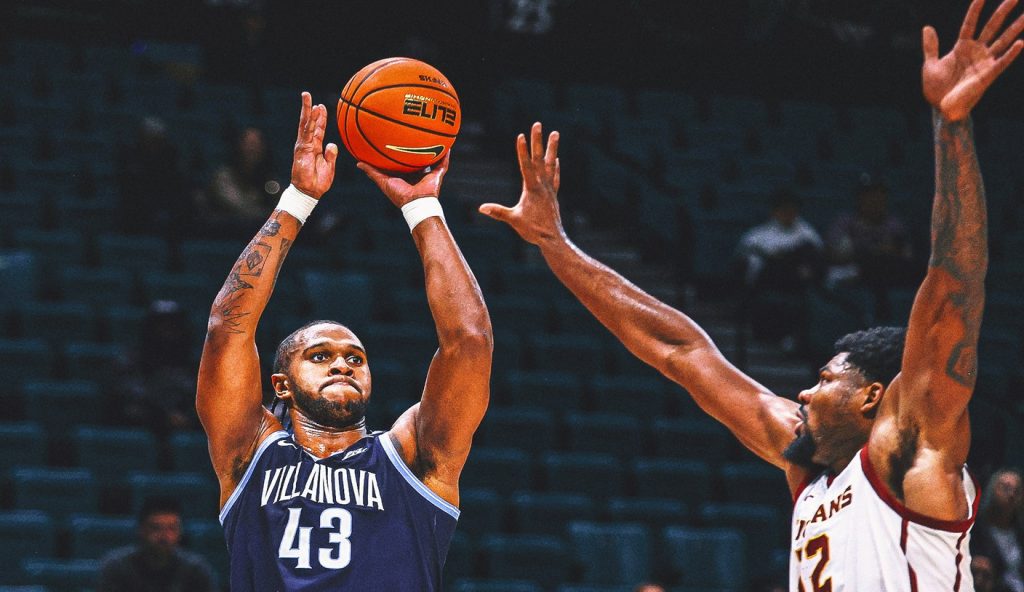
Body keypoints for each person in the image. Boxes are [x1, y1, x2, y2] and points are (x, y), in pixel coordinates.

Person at [479, 1, 1023, 588]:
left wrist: (952, 126)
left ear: (873, 398)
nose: (804, 392)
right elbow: (679, 350)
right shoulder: (807, 469)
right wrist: (556, 245)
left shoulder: (911, 457)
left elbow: (952, 290)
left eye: (825, 379)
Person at [196, 92, 492, 591]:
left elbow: (470, 340)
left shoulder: (413, 456)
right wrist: (297, 200)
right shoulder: (250, 450)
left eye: (356, 358)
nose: (343, 365)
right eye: (320, 356)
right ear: (281, 385)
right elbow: (228, 327)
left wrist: (421, 207)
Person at [825, 176, 917, 321]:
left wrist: (889, 251)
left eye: (879, 195)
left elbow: (907, 256)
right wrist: (870, 251)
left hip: (888, 274)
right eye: (869, 195)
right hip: (854, 273)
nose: (875, 200)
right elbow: (835, 254)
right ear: (860, 199)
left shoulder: (893, 224)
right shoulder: (846, 222)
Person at [97, 496, 217, 592]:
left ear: (180, 531)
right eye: (156, 528)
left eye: (172, 528)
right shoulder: (118, 567)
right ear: (141, 530)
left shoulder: (195, 570)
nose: (164, 536)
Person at [973, 468, 1024, 591]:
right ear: (992, 490)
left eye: (1017, 491)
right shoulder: (975, 527)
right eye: (1005, 488)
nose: (1011, 495)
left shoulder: (1020, 532)